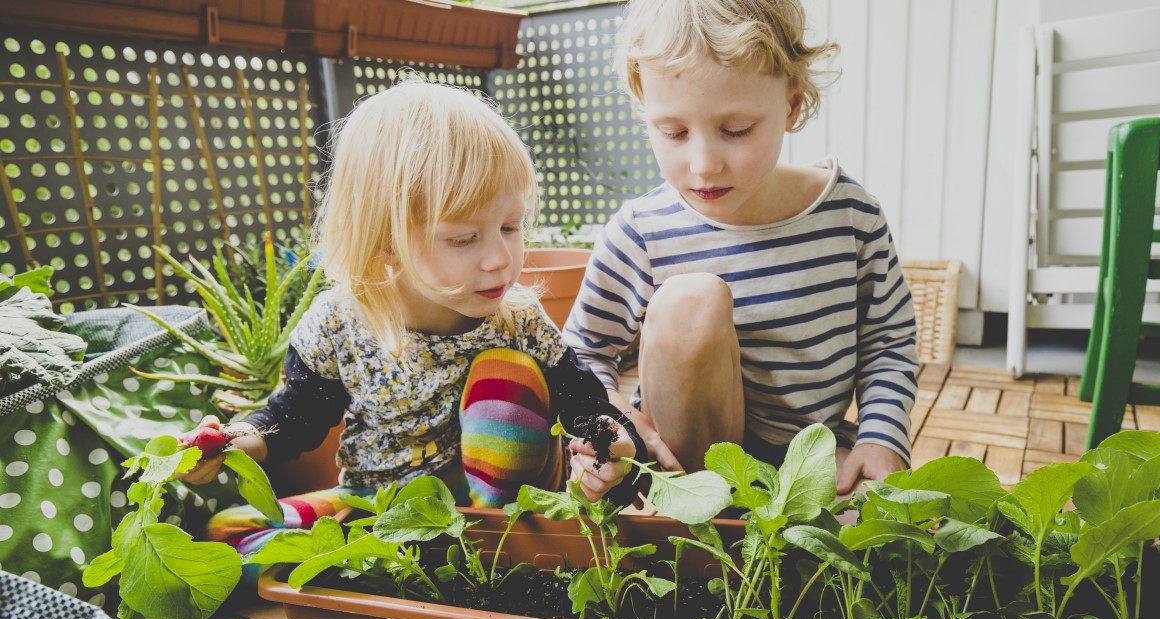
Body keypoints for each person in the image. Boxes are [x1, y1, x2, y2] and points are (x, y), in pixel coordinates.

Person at [179, 79, 645, 561]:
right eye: (463, 239)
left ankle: (487, 546)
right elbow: (293, 419)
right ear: (386, 241)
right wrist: (230, 442)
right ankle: (383, 553)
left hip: (495, 510)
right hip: (378, 503)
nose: (501, 259)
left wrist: (616, 450)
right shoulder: (337, 325)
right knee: (227, 532)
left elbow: (588, 407)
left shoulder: (518, 321)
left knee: (503, 376)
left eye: (511, 226)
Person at [563, 0, 919, 495]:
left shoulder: (851, 216)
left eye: (735, 131)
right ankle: (705, 504)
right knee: (691, 301)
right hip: (686, 470)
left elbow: (889, 341)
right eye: (674, 132)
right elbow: (582, 353)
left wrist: (881, 438)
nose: (704, 164)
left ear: (792, 104)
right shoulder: (640, 231)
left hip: (809, 459)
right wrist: (610, 423)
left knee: (884, 519)